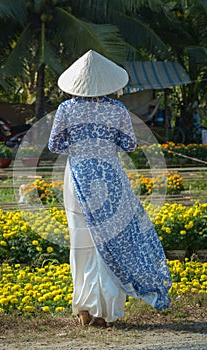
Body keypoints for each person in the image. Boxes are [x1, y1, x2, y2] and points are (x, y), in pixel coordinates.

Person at [48, 50, 172, 327]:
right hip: (111, 178)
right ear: (107, 82)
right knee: (111, 240)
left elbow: (54, 146)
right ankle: (106, 312)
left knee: (82, 243)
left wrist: (80, 149)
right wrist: (104, 148)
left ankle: (83, 309)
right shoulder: (117, 109)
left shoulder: (66, 109)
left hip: (78, 177)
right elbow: (129, 145)